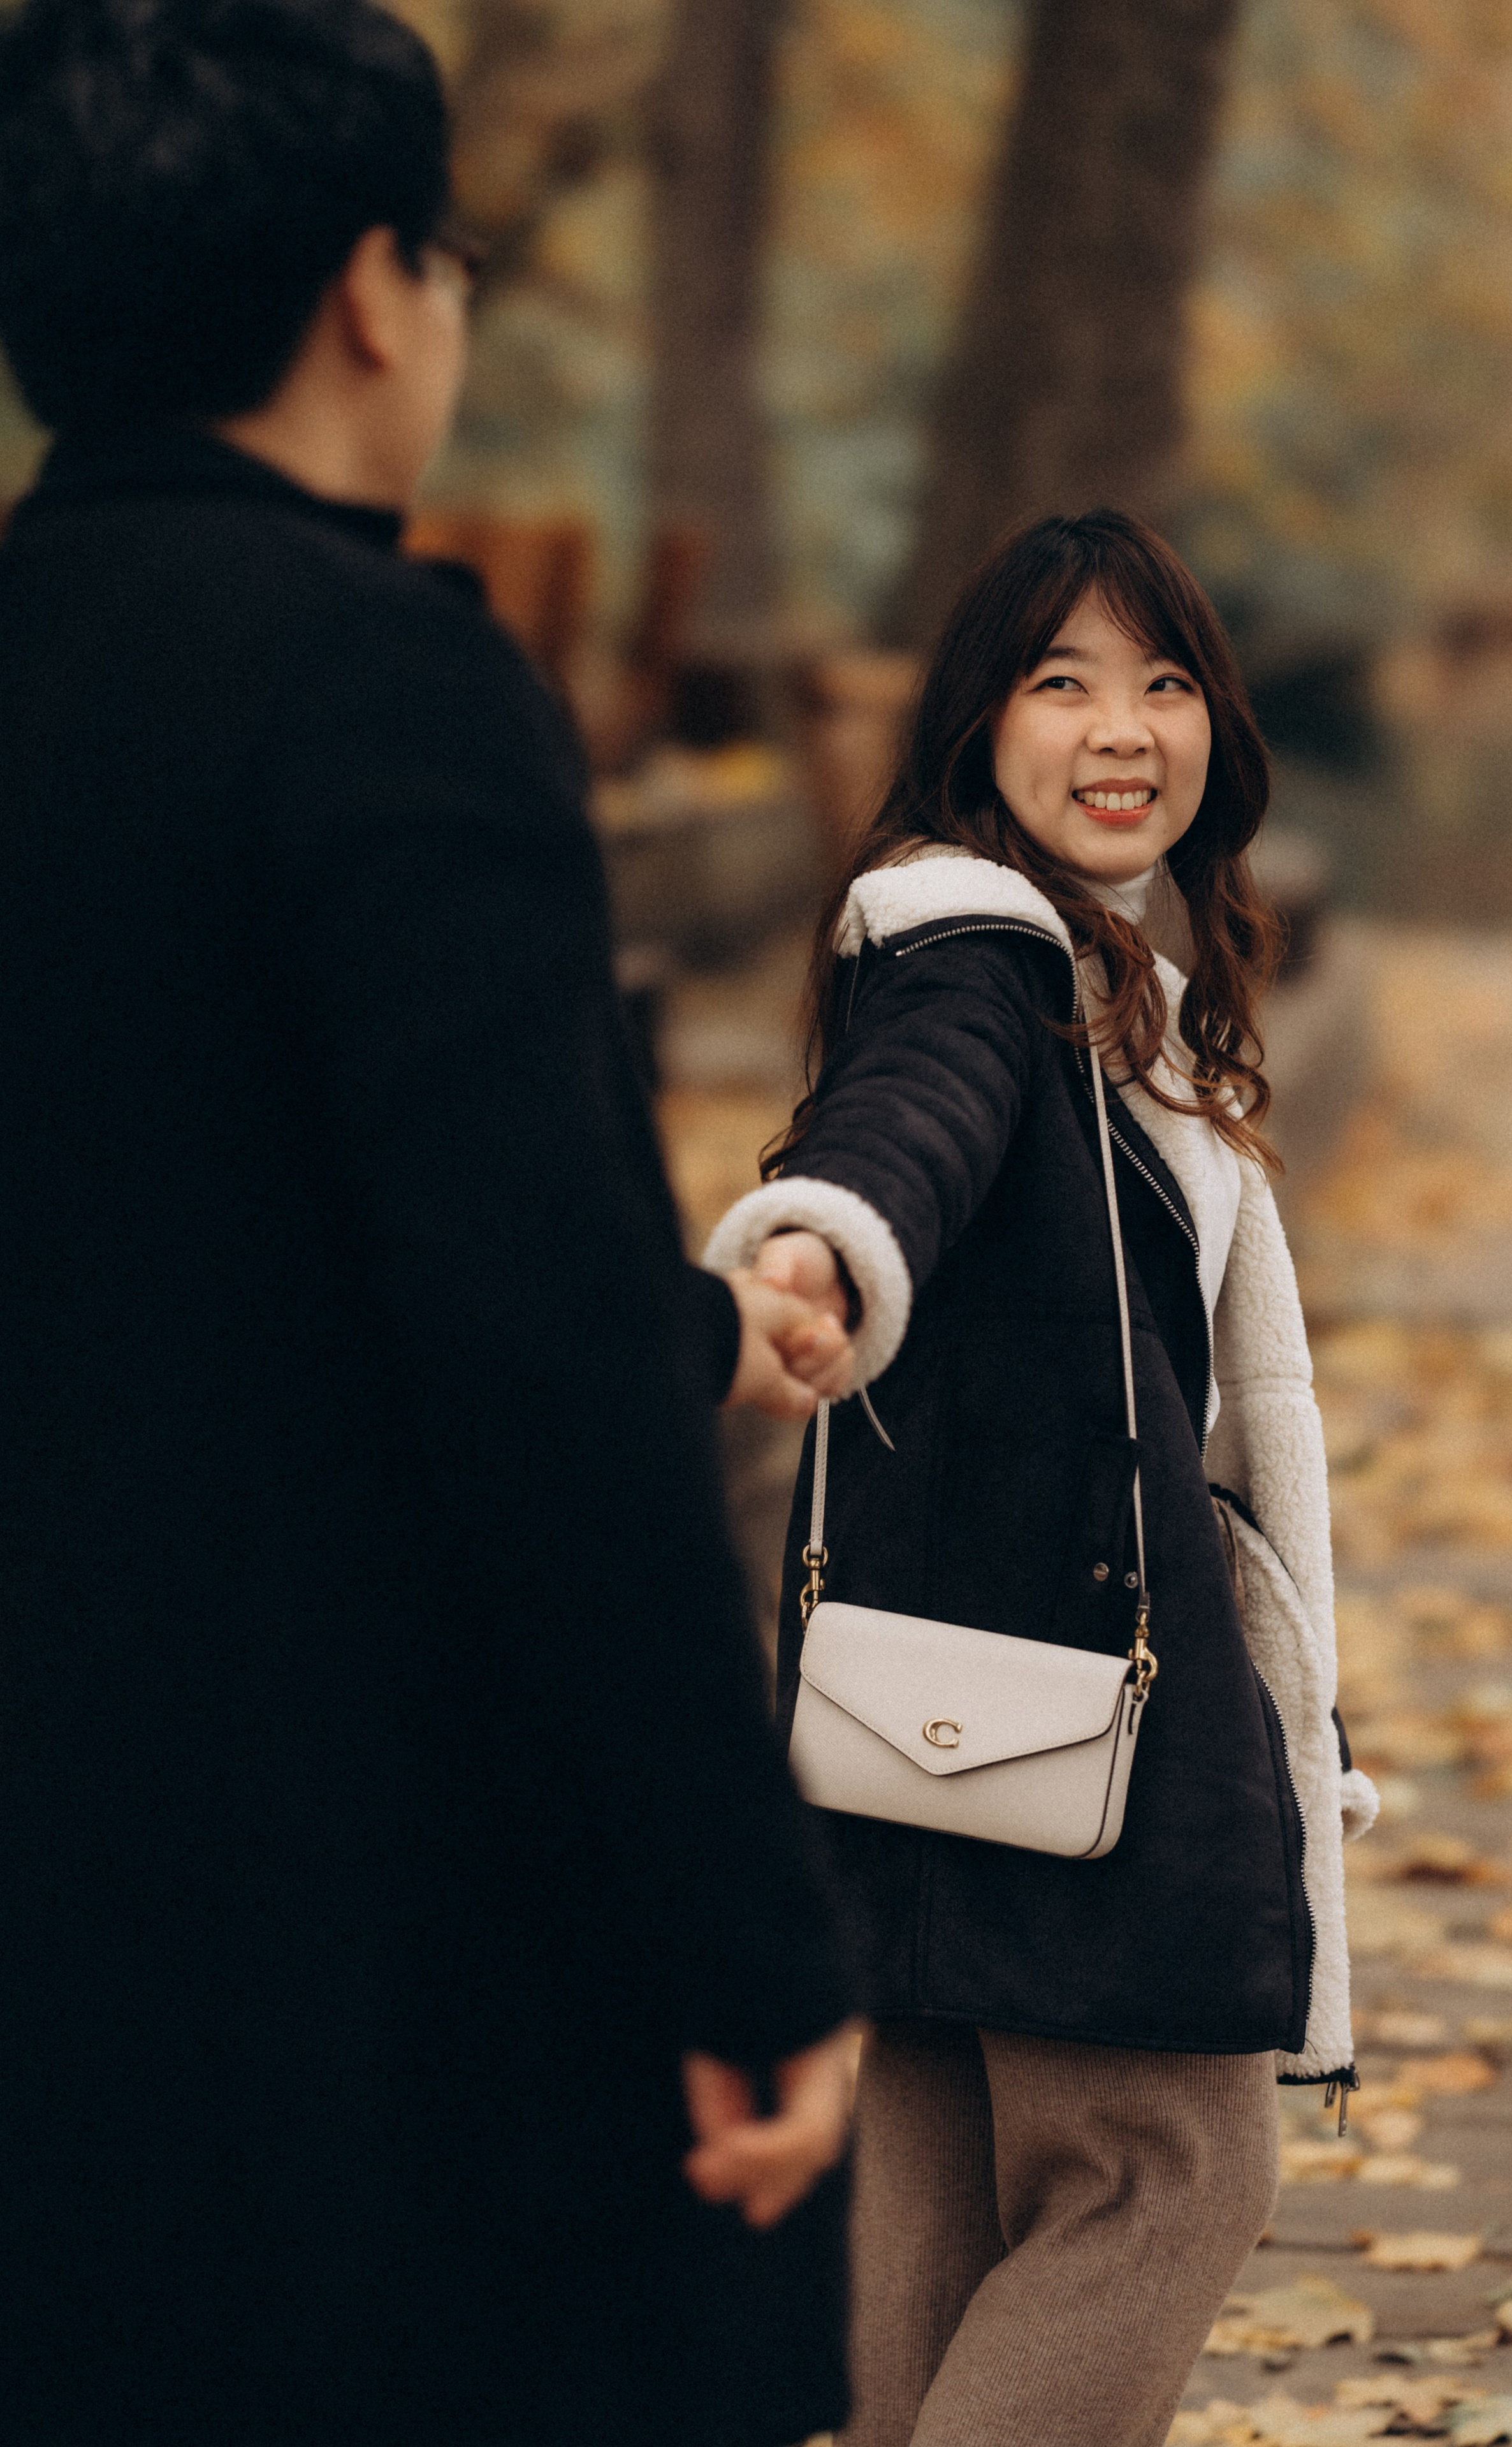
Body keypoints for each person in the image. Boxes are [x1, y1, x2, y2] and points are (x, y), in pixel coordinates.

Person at [0, 2, 860, 2439]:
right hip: (334, 1934)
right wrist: (744, 1935)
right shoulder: (381, 683)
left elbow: (198, 1231)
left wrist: (686, 1324)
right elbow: (522, 1368)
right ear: (381, 289)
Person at [704, 511, 1380, 2447]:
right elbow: (906, 1123)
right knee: (1172, 2176)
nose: (1122, 727)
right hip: (1075, 1722)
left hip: (943, 1712)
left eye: (1165, 680)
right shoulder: (977, 958)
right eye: (1061, 678)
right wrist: (826, 1241)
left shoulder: (1112, 990)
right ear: (977, 727)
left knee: (931, 2218)